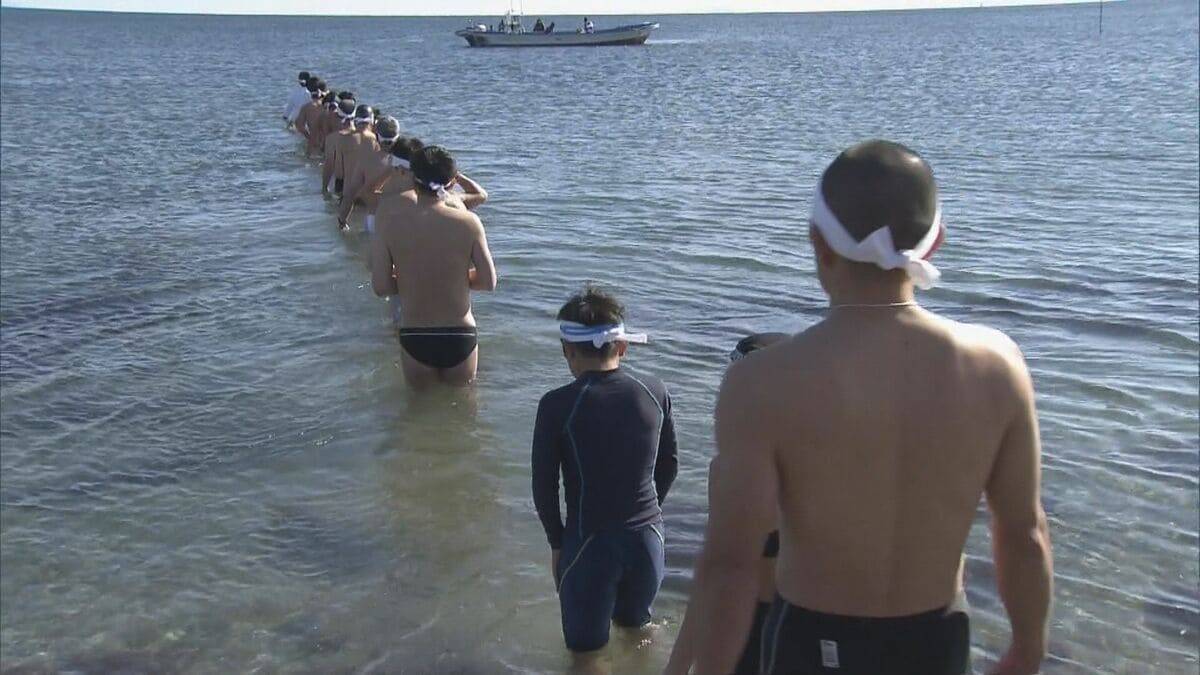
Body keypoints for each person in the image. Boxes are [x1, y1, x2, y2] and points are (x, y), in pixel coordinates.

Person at [679, 140, 1053, 675]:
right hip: (937, 641)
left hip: (813, 643)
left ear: (818, 242)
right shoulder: (998, 366)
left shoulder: (761, 382)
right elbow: (1023, 532)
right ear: (936, 242)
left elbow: (731, 564)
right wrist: (1026, 648)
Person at [531, 285, 679, 657]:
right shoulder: (655, 391)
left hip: (590, 547)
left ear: (567, 350)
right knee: (639, 636)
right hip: (649, 540)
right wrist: (646, 512)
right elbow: (670, 465)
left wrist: (557, 543)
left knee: (585, 658)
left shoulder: (556, 406)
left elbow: (543, 486)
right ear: (623, 347)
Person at [665, 333, 788, 675]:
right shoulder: (822, 464)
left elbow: (715, 578)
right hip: (806, 631)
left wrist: (676, 667)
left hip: (751, 633)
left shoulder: (728, 470)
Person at [370, 146, 498, 387]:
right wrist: (451, 278)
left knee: (417, 414)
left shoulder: (389, 220)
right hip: (460, 334)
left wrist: (414, 279)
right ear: (451, 182)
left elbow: (381, 286)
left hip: (415, 334)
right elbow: (489, 282)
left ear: (411, 177)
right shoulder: (469, 222)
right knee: (464, 414)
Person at [338, 116, 401, 233]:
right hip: (400, 219)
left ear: (377, 136)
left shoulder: (366, 160)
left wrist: (342, 221)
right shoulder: (406, 162)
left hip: (374, 218)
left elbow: (350, 195)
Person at [338, 104, 379, 205]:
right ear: (371, 121)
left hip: (348, 193)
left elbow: (338, 171)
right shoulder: (374, 139)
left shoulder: (344, 139)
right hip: (365, 194)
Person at [321, 99, 356, 198]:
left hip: (342, 182)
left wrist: (324, 187)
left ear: (337, 116)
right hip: (361, 181)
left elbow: (329, 165)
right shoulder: (369, 137)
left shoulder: (332, 139)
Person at [295, 79, 326, 158]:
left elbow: (299, 125)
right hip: (327, 143)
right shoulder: (328, 107)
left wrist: (308, 137)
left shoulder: (306, 108)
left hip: (313, 143)